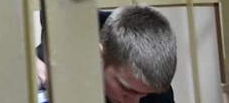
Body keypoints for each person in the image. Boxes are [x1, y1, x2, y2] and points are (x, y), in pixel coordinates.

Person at [36, 6, 176, 103]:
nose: (134, 102)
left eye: (144, 94)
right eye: (126, 88)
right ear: (98, 55)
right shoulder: (49, 70)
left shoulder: (156, 91)